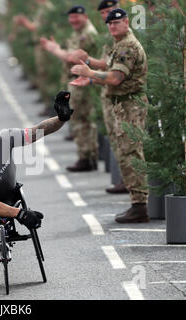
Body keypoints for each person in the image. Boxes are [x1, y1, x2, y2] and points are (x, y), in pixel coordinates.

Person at [0, 91, 73, 248]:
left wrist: (61, 119)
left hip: (12, 194)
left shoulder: (4, 139)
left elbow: (37, 131)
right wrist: (20, 214)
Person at [70, 9, 149, 223]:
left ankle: (140, 205)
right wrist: (92, 77)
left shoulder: (128, 46)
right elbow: (110, 67)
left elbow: (115, 78)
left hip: (130, 105)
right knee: (125, 152)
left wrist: (90, 73)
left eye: (116, 22)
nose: (112, 26)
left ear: (126, 22)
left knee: (131, 153)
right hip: (123, 105)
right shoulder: (120, 44)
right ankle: (136, 203)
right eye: (109, 23)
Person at [70, 0, 128, 193]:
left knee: (125, 141)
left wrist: (91, 75)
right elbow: (106, 63)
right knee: (115, 138)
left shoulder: (125, 42)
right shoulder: (112, 38)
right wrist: (89, 64)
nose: (107, 18)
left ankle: (132, 188)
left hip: (122, 97)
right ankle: (125, 182)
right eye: (104, 14)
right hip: (109, 93)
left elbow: (116, 75)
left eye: (111, 12)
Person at [40, 5, 98, 172]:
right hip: (76, 81)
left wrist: (54, 49)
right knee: (81, 119)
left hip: (82, 82)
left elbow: (71, 58)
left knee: (82, 119)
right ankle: (86, 156)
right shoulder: (78, 33)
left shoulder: (87, 34)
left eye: (76, 17)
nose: (73, 20)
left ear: (85, 16)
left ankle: (86, 156)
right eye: (71, 17)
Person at [12, 0, 54, 115]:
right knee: (42, 75)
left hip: (44, 47)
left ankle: (50, 105)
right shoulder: (41, 8)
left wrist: (23, 21)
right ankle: (47, 103)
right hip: (40, 46)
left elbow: (37, 28)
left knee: (46, 76)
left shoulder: (46, 8)